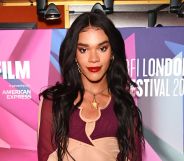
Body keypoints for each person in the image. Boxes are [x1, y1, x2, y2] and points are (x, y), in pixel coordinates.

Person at [38, 9, 144, 161]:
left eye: (102, 48)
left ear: (112, 52)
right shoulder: (53, 103)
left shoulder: (125, 107)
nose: (93, 58)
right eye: (83, 49)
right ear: (74, 54)